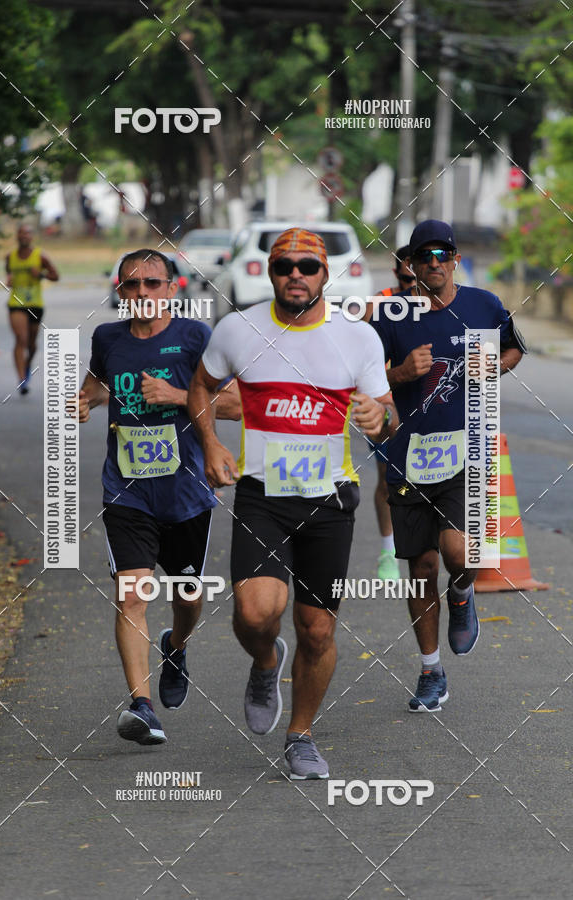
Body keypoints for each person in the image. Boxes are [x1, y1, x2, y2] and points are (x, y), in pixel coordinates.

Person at [188, 227, 397, 779]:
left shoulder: (358, 339)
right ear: (271, 272)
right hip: (262, 497)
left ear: (327, 274)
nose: (296, 276)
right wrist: (210, 443)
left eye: (308, 266)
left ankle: (300, 735)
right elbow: (200, 386)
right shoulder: (239, 328)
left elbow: (386, 412)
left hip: (330, 501)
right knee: (257, 614)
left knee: (318, 629)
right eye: (285, 267)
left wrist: (380, 418)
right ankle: (264, 660)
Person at [76, 249, 241, 745]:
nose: (142, 293)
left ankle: (177, 644)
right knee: (133, 592)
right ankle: (142, 707)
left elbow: (234, 403)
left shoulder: (195, 337)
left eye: (152, 283)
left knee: (186, 597)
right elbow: (100, 384)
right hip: (126, 491)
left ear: (173, 289)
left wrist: (176, 397)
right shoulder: (108, 338)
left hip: (186, 492)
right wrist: (83, 400)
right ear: (120, 292)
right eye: (132, 285)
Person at [370, 220, 526, 712]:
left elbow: (514, 346)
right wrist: (400, 372)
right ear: (410, 266)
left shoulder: (483, 305)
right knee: (420, 568)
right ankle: (431, 670)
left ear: (455, 258)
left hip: (468, 450)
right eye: (424, 256)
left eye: (443, 253)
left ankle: (461, 594)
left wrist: (495, 367)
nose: (434, 262)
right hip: (409, 456)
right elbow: (366, 381)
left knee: (461, 555)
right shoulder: (391, 316)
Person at [366, 246, 416, 581]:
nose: (413, 280)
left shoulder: (443, 304)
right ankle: (388, 552)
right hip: (388, 402)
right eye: (406, 273)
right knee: (388, 479)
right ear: (396, 272)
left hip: (428, 404)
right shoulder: (378, 305)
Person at [6, 224, 59, 394]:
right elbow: (9, 273)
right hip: (16, 303)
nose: (24, 237)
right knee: (21, 338)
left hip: (35, 304)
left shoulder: (40, 256)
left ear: (31, 237)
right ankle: (22, 379)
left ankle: (28, 364)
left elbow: (56, 276)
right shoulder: (10, 256)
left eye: (27, 234)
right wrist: (9, 280)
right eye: (21, 233)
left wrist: (41, 275)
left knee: (31, 344)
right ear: (17, 236)